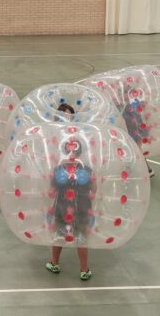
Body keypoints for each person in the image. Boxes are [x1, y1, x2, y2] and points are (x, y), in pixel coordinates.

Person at [45, 103, 94, 280]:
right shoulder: (86, 167)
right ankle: (84, 270)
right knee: (81, 235)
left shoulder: (60, 167)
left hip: (62, 205)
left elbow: (53, 186)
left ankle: (55, 263)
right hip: (81, 204)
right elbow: (92, 187)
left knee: (60, 233)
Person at [122, 98, 155, 178]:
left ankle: (147, 169)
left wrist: (141, 134)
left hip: (134, 133)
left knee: (136, 151)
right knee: (135, 150)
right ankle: (146, 169)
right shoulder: (130, 103)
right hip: (132, 131)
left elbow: (138, 121)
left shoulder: (132, 104)